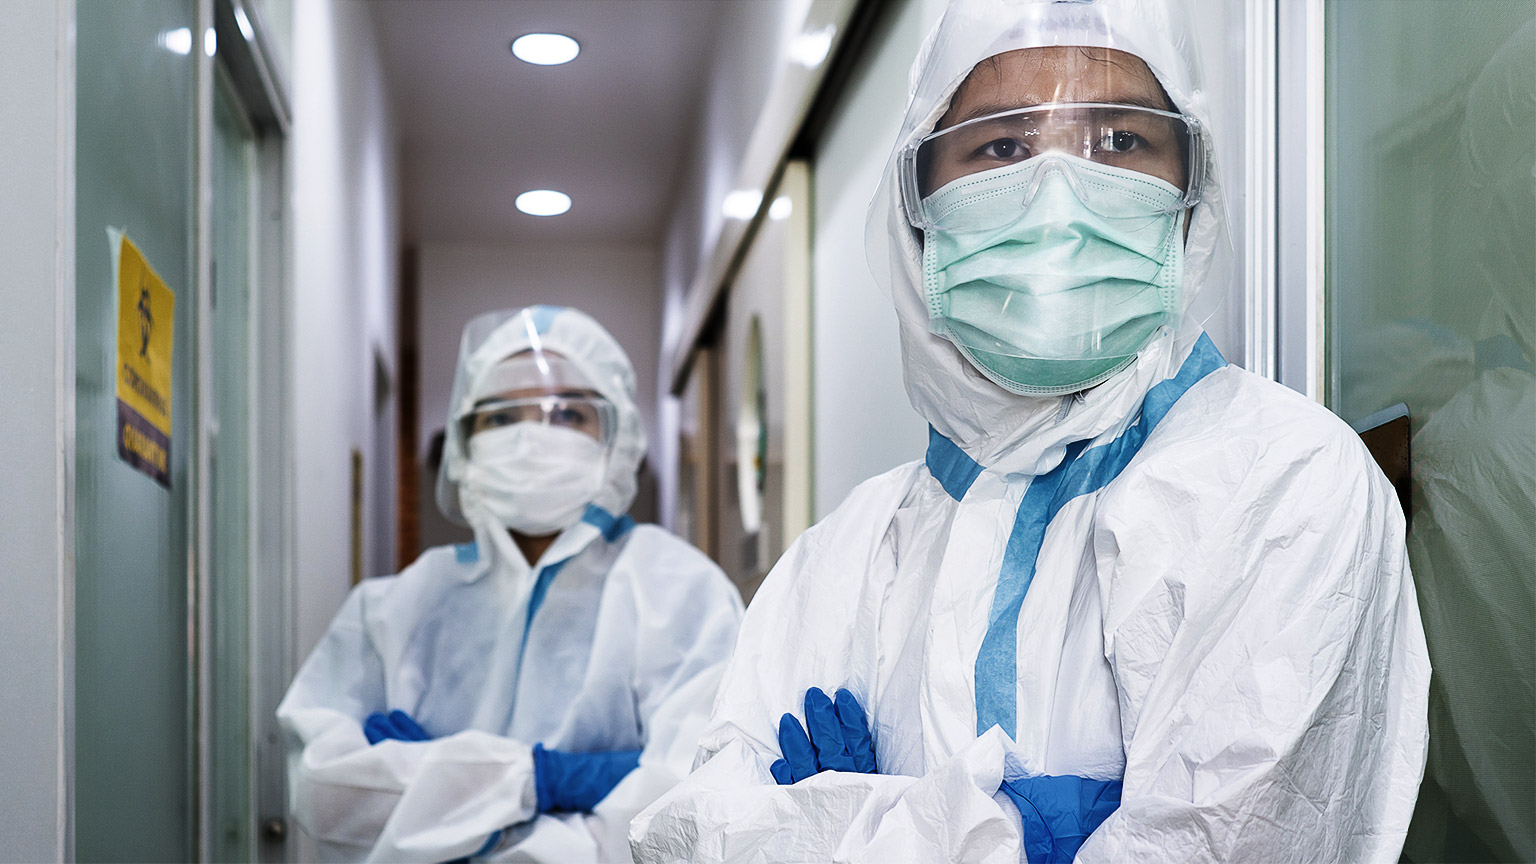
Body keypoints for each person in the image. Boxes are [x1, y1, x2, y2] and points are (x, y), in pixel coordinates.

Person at [631, 1, 1429, 861]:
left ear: (1192, 192)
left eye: (1120, 141)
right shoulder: (841, 555)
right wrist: (1030, 830)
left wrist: (841, 823)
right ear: (917, 209)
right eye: (1003, 145)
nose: (1061, 191)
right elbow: (685, 831)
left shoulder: (1283, 482)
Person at [278, 305, 743, 862]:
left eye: (569, 414)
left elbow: (683, 815)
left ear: (617, 438)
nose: (531, 438)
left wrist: (438, 786)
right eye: (500, 417)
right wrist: (545, 782)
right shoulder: (398, 605)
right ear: (463, 442)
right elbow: (324, 790)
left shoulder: (681, 592)